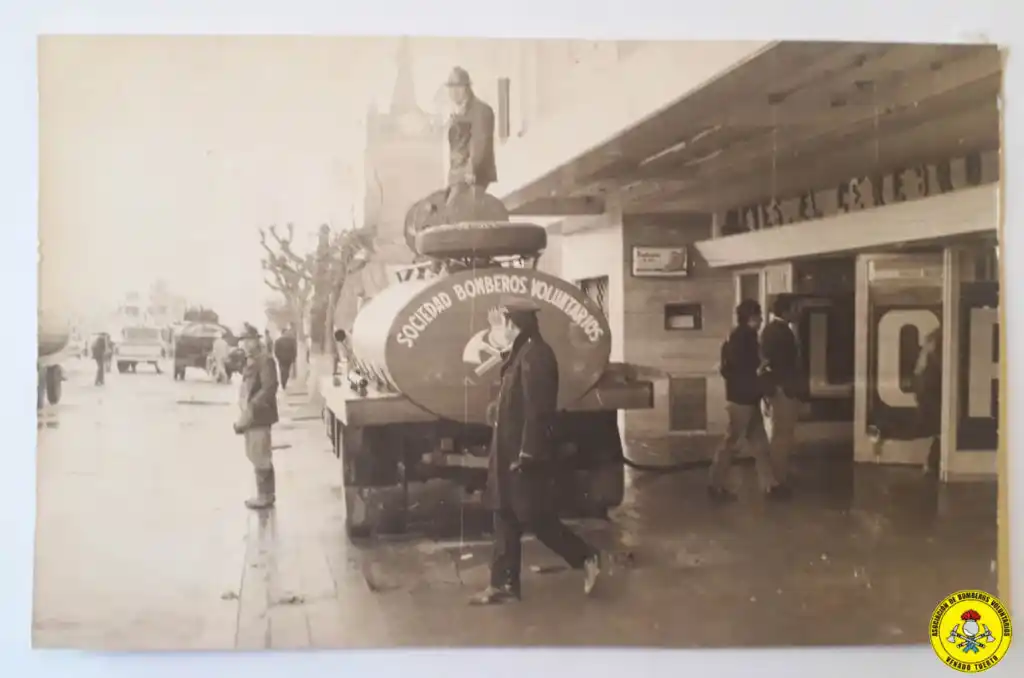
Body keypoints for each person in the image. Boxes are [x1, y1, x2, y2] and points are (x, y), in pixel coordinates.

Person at [470, 297, 601, 606]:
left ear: (516, 326)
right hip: (508, 450)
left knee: (533, 516)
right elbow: (513, 383)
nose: (500, 329)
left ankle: (586, 556)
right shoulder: (523, 353)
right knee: (503, 513)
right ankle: (503, 585)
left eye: (504, 324)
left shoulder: (537, 357)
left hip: (522, 454)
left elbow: (538, 410)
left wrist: (529, 453)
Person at [709, 300, 776, 501]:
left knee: (759, 443)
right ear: (751, 317)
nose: (762, 319)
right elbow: (748, 369)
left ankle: (770, 485)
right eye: (759, 315)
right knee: (732, 443)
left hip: (743, 397)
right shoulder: (745, 339)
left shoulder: (734, 337)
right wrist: (763, 366)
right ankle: (715, 485)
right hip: (743, 399)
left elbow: (728, 368)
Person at [759, 293, 804, 499]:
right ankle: (776, 482)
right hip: (783, 390)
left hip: (781, 389)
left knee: (782, 436)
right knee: (782, 436)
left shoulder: (776, 330)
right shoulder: (778, 332)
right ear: (785, 310)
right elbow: (771, 364)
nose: (799, 312)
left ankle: (777, 479)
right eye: (796, 308)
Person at [233, 323, 280, 510]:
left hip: (259, 415)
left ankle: (266, 496)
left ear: (254, 340)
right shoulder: (251, 360)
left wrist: (253, 406)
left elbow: (270, 387)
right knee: (254, 454)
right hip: (250, 416)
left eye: (245, 340)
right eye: (241, 341)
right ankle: (264, 494)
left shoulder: (265, 360)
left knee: (261, 455)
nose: (242, 344)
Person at [445, 66, 497, 207]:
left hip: (474, 178)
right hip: (458, 177)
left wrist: (471, 168)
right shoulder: (457, 113)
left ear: (467, 87)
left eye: (458, 86)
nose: (454, 92)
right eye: (451, 87)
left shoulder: (481, 111)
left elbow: (479, 143)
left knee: (456, 212)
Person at [913, 327, 943, 475]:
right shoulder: (932, 361)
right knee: (939, 432)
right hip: (931, 398)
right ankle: (931, 464)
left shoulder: (926, 360)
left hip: (928, 397)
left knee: (938, 433)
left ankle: (931, 464)